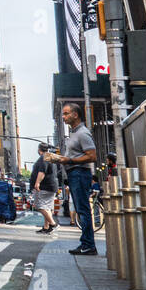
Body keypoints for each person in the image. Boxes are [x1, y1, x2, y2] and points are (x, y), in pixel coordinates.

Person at [48, 102, 98, 255]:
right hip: (74, 174)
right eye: (63, 114)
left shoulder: (82, 133)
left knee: (83, 210)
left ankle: (88, 245)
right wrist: (61, 159)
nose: (63, 117)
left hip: (80, 173)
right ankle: (86, 243)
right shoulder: (74, 134)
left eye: (66, 113)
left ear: (75, 115)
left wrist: (69, 160)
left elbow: (92, 156)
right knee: (81, 210)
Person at [30, 144, 60, 234]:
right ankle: (47, 227)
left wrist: (37, 183)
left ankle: (53, 224)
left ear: (39, 150)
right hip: (51, 186)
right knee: (47, 207)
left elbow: (42, 171)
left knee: (39, 206)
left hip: (44, 187)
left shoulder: (44, 157)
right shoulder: (50, 157)